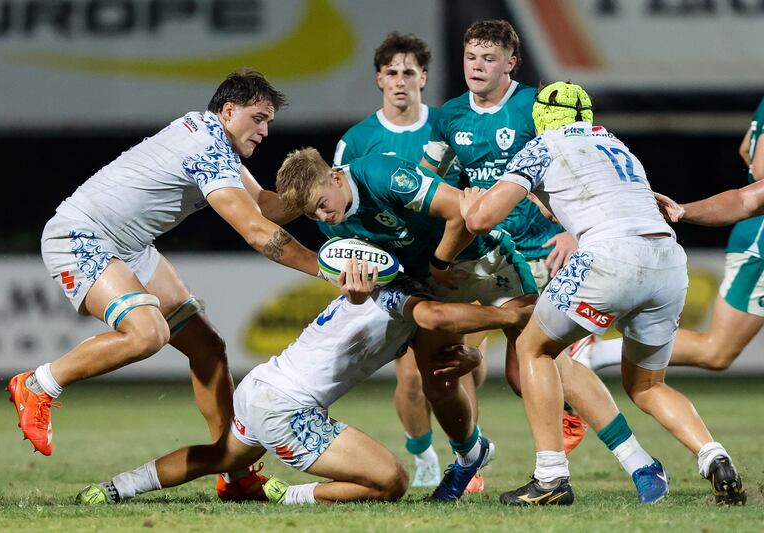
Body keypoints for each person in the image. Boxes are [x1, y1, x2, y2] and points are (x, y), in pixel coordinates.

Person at [275, 148, 666, 504]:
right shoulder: (334, 228)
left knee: (540, 359)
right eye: (311, 215)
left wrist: (440, 263)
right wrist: (362, 295)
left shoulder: (380, 173)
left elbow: (465, 211)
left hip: (484, 260)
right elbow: (386, 279)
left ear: (336, 178)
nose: (322, 217)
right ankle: (468, 458)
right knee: (438, 377)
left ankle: (640, 463)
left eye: (322, 205)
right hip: (431, 281)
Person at [7, 70, 320, 499]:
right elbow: (255, 231)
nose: (265, 131)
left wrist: (316, 193)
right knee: (148, 333)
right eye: (259, 118)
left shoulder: (213, 139)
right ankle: (37, 385)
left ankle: (235, 471)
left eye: (269, 122)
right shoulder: (207, 146)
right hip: (81, 236)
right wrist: (325, 267)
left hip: (129, 246)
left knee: (208, 349)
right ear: (229, 111)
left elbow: (266, 206)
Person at [461, 81, 746, 506]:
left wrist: (469, 206)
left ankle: (551, 476)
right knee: (648, 385)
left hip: (609, 258)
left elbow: (482, 219)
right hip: (668, 258)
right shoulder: (614, 143)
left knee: (534, 347)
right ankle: (713, 455)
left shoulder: (543, 145)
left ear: (540, 119)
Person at [73, 259, 532, 506]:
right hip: (288, 409)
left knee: (220, 457)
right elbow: (436, 315)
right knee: (390, 481)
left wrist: (472, 350)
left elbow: (438, 338)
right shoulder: (398, 289)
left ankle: (116, 488)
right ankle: (284, 495)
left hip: (261, 387)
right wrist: (505, 313)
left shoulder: (384, 287)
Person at [418, 19, 590, 451]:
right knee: (454, 361)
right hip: (479, 254)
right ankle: (469, 459)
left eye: (488, 59)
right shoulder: (449, 116)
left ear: (510, 63)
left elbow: (588, 163)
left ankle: (579, 419)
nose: (476, 66)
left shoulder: (536, 105)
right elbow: (429, 180)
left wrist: (573, 231)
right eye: (470, 57)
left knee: (520, 373)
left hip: (540, 251)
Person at [333, 31, 470, 489]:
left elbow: (472, 188)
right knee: (411, 378)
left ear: (423, 78)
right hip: (398, 273)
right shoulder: (357, 140)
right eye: (391, 72)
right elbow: (338, 213)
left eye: (408, 72)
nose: (399, 80)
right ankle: (424, 454)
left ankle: (466, 458)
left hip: (452, 265)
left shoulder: (445, 127)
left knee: (457, 367)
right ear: (378, 79)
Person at [575, 96, 764, 373]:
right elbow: (755, 181)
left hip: (751, 228)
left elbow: (747, 148)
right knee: (716, 350)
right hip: (758, 239)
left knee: (716, 353)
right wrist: (684, 211)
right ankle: (593, 352)